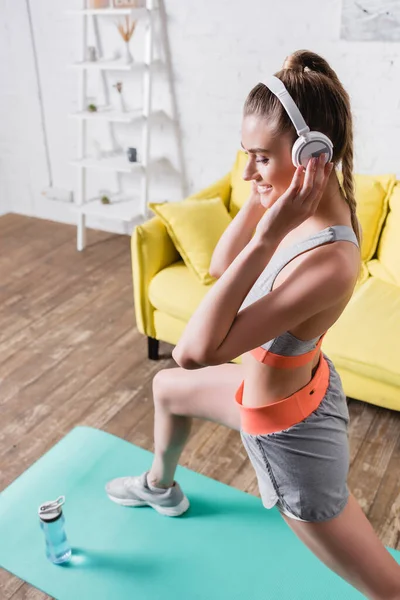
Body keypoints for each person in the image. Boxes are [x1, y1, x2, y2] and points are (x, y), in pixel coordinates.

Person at [106, 50, 400, 599]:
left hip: (289, 440)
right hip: (266, 391)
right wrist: (264, 202)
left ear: (313, 154)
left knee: (384, 585)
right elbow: (222, 267)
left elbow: (191, 351)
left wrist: (268, 231)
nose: (245, 172)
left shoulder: (329, 260)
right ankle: (160, 487)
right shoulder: (301, 209)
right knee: (166, 390)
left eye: (260, 158)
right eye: (246, 155)